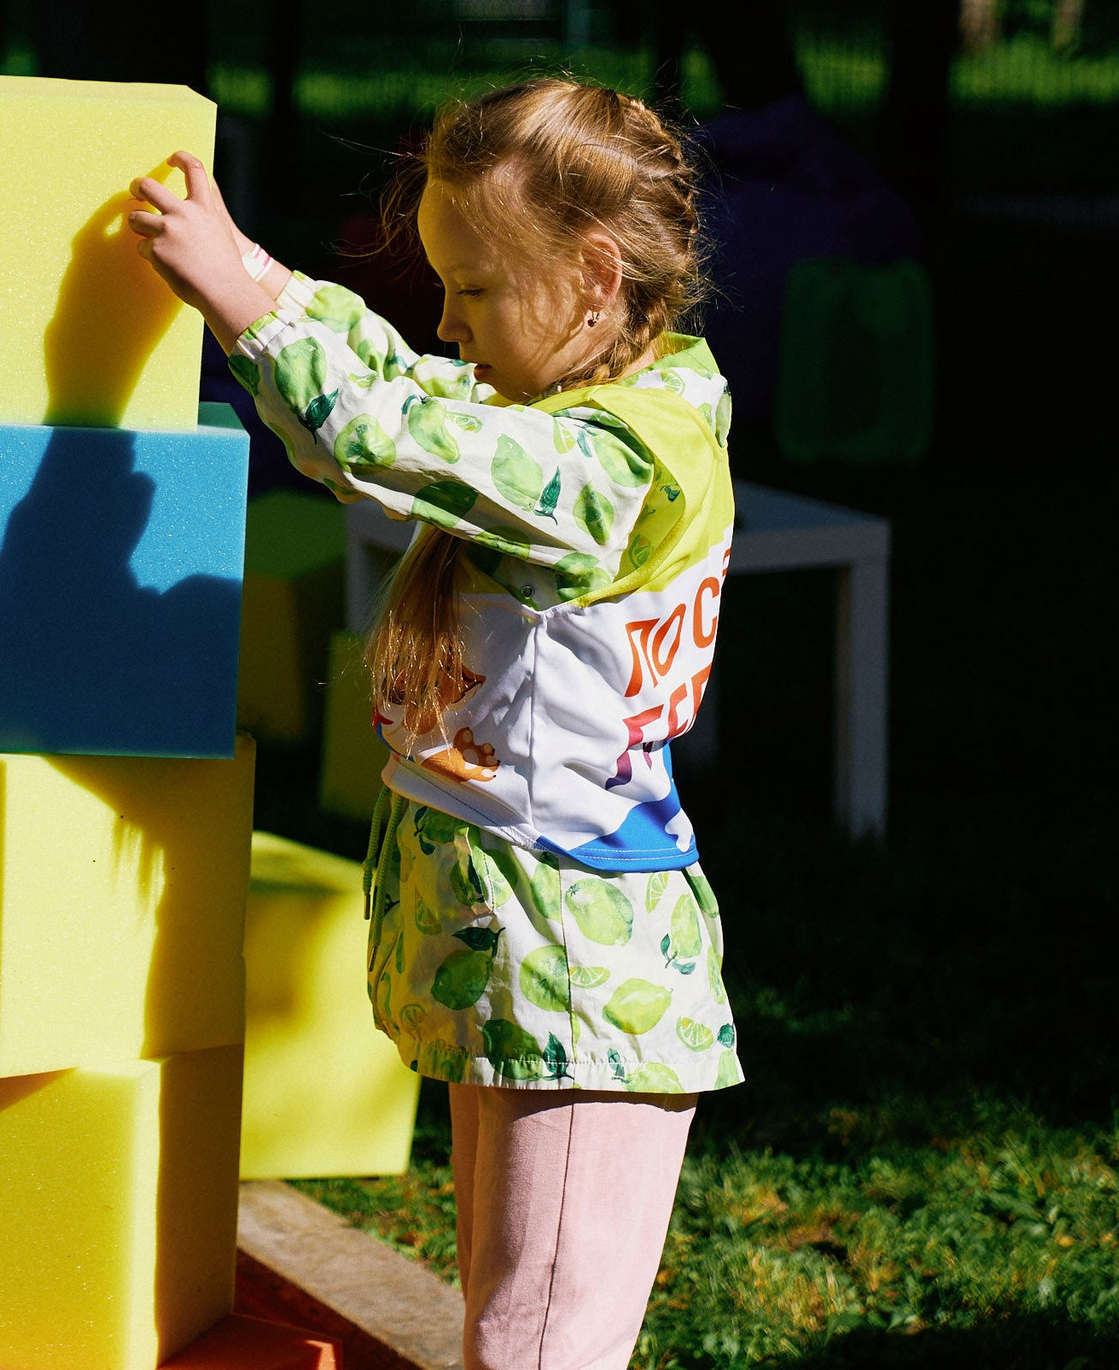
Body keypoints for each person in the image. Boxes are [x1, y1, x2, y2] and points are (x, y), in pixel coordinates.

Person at [126, 80, 737, 1370]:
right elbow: (414, 391)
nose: (447, 326)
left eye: (474, 290)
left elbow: (400, 436)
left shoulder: (622, 460)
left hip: (580, 976)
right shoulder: (562, 398)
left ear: (593, 274)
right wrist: (259, 277)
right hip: (524, 958)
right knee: (507, 1322)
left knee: (536, 1342)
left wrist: (241, 305)